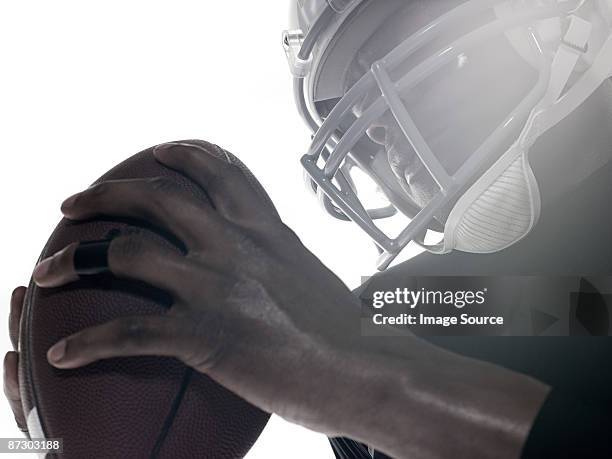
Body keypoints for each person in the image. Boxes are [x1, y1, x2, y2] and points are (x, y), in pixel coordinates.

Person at [5, 1, 612, 458]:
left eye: (389, 58)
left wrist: (375, 383)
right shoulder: (426, 312)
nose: (370, 129)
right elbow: (580, 305)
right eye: (345, 98)